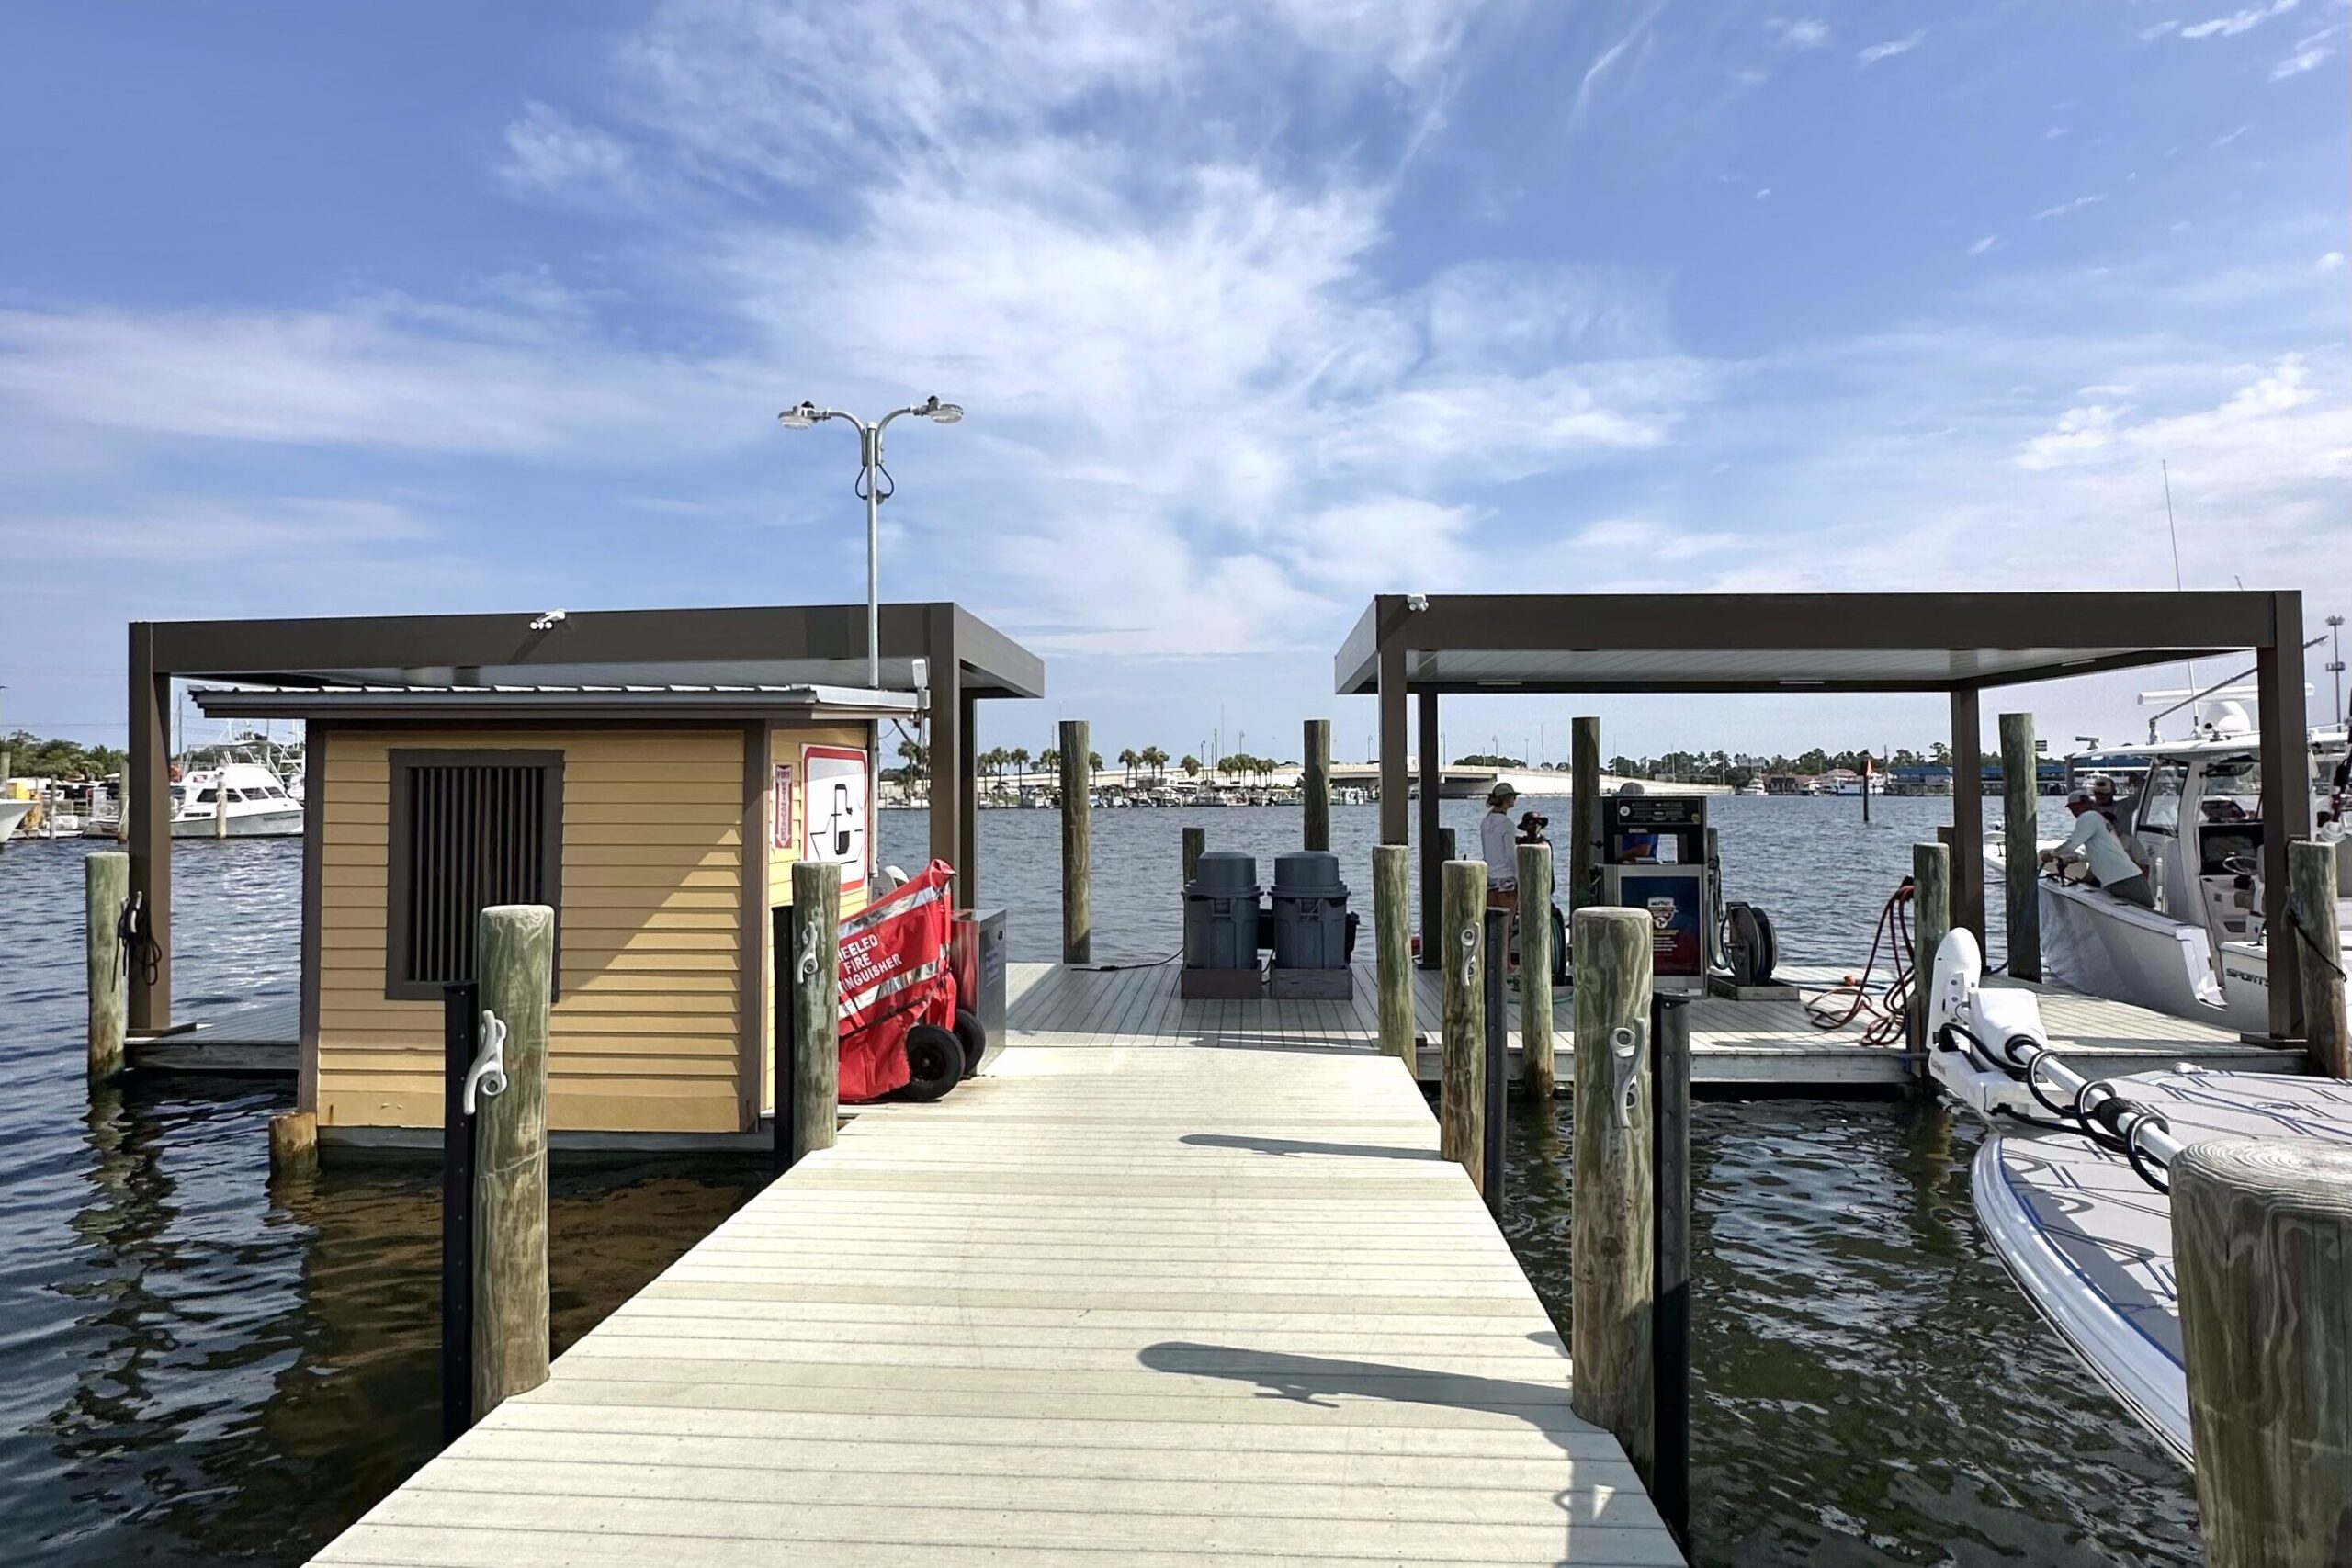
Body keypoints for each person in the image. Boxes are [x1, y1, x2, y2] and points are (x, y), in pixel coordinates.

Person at [2043, 787, 2155, 908]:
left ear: (2081, 804)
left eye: (2072, 807)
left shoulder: (2088, 817)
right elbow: (2100, 852)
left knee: (2147, 914)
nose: (2072, 811)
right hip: (2118, 880)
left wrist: (2052, 854)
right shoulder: (2097, 818)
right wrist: (2074, 859)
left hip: (2127, 880)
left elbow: (2071, 844)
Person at [1479, 783, 1519, 911]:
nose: (1514, 800)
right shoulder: (1507, 824)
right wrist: (1519, 877)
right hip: (1506, 878)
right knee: (1507, 922)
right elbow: (1510, 856)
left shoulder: (1485, 822)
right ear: (1507, 799)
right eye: (1513, 797)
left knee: (1493, 923)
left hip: (1490, 878)